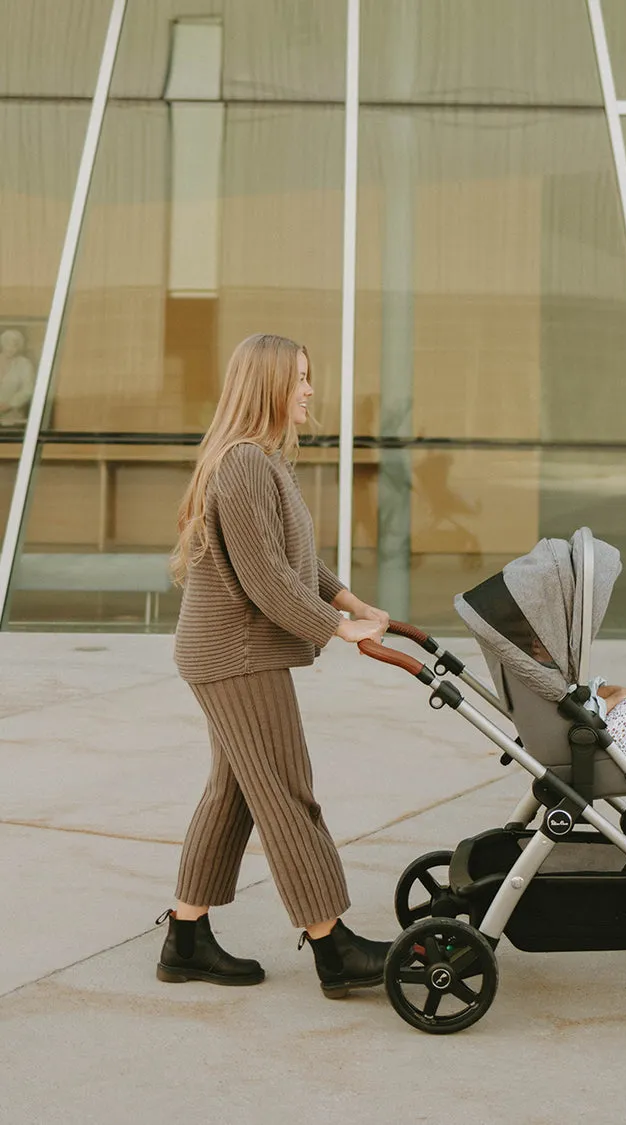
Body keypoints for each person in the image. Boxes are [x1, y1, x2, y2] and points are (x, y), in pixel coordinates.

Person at [156, 332, 392, 999]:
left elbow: (297, 562)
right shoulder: (244, 466)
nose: (312, 389)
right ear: (269, 387)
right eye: (302, 378)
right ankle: (332, 944)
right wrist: (337, 629)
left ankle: (186, 935)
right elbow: (265, 580)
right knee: (287, 792)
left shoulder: (261, 461)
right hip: (237, 655)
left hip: (226, 652)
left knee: (233, 792)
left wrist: (348, 599)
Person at [0, 328, 36, 427]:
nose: (10, 348)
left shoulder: (25, 364)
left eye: (14, 346)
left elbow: (28, 390)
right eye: (7, 344)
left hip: (13, 419)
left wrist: (10, 404)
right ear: (2, 344)